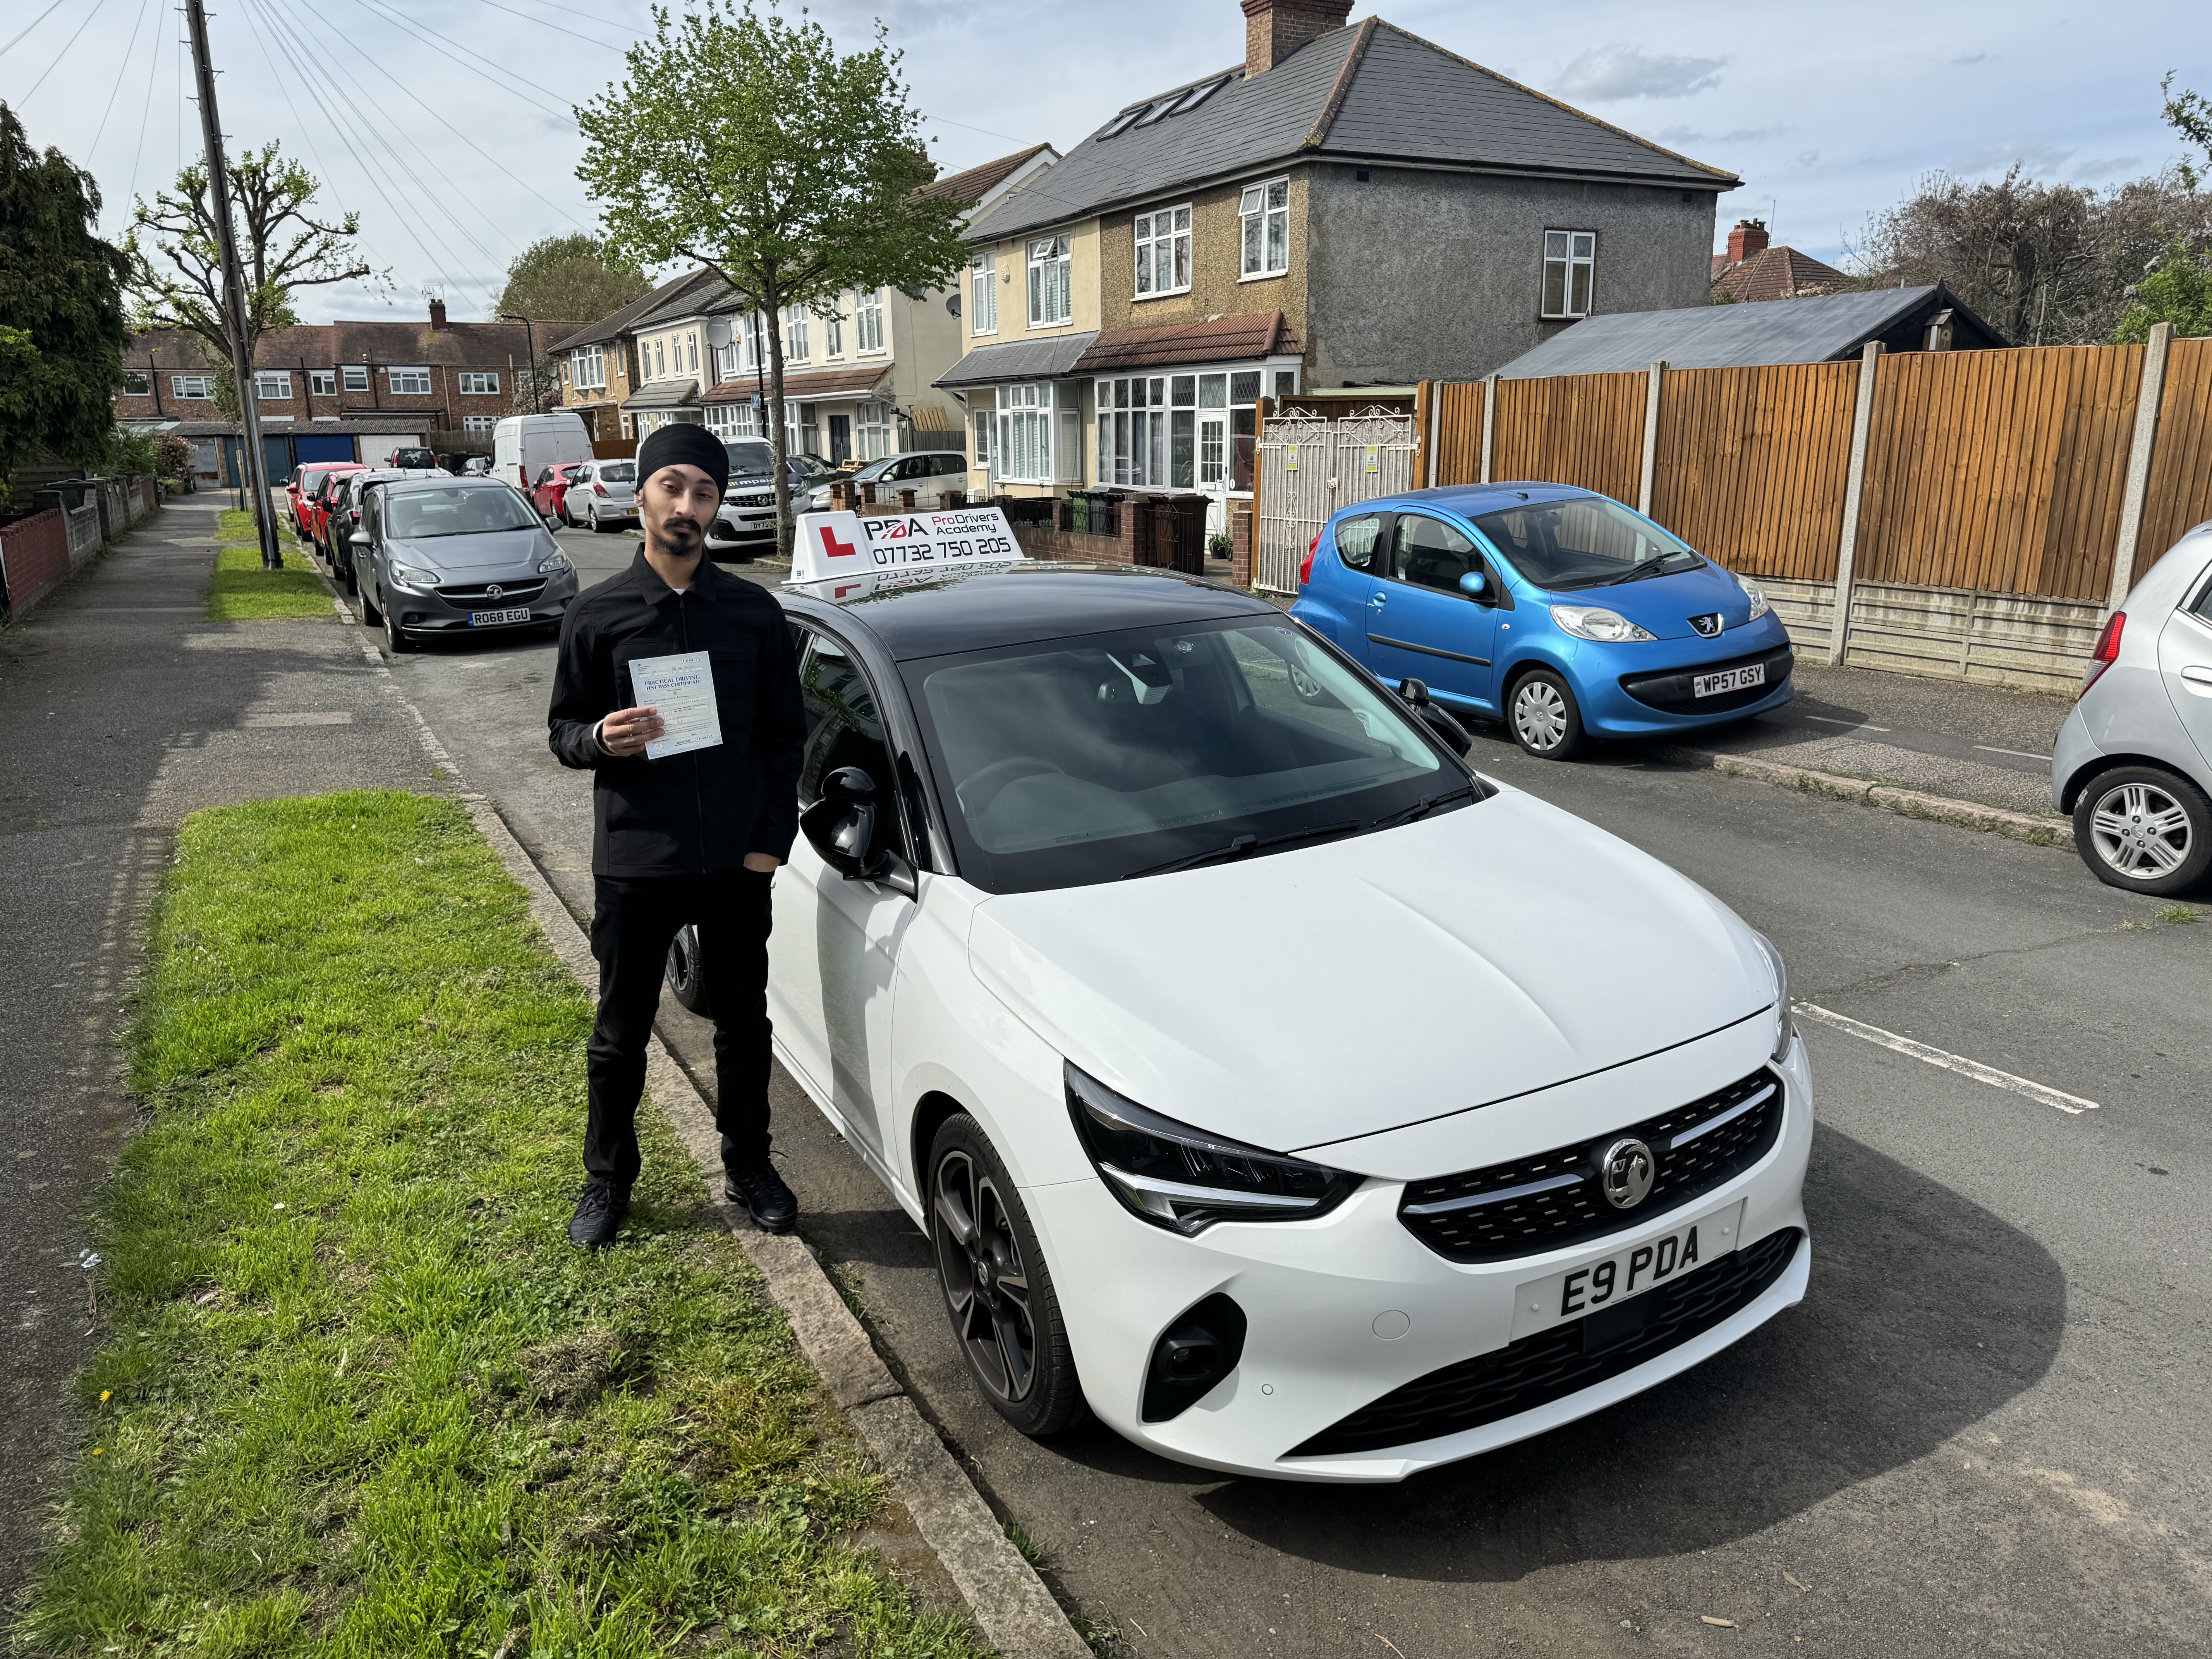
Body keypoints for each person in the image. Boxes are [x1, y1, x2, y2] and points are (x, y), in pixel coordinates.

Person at [546, 423, 805, 1249]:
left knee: (744, 1025)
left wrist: (771, 845)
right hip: (637, 857)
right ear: (642, 496)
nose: (686, 506)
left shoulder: (755, 615)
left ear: (717, 506)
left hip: (735, 859)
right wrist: (598, 741)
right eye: (673, 488)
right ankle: (607, 1181)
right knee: (620, 1031)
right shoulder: (597, 615)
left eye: (703, 492)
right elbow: (562, 730)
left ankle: (750, 1165)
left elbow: (784, 739)